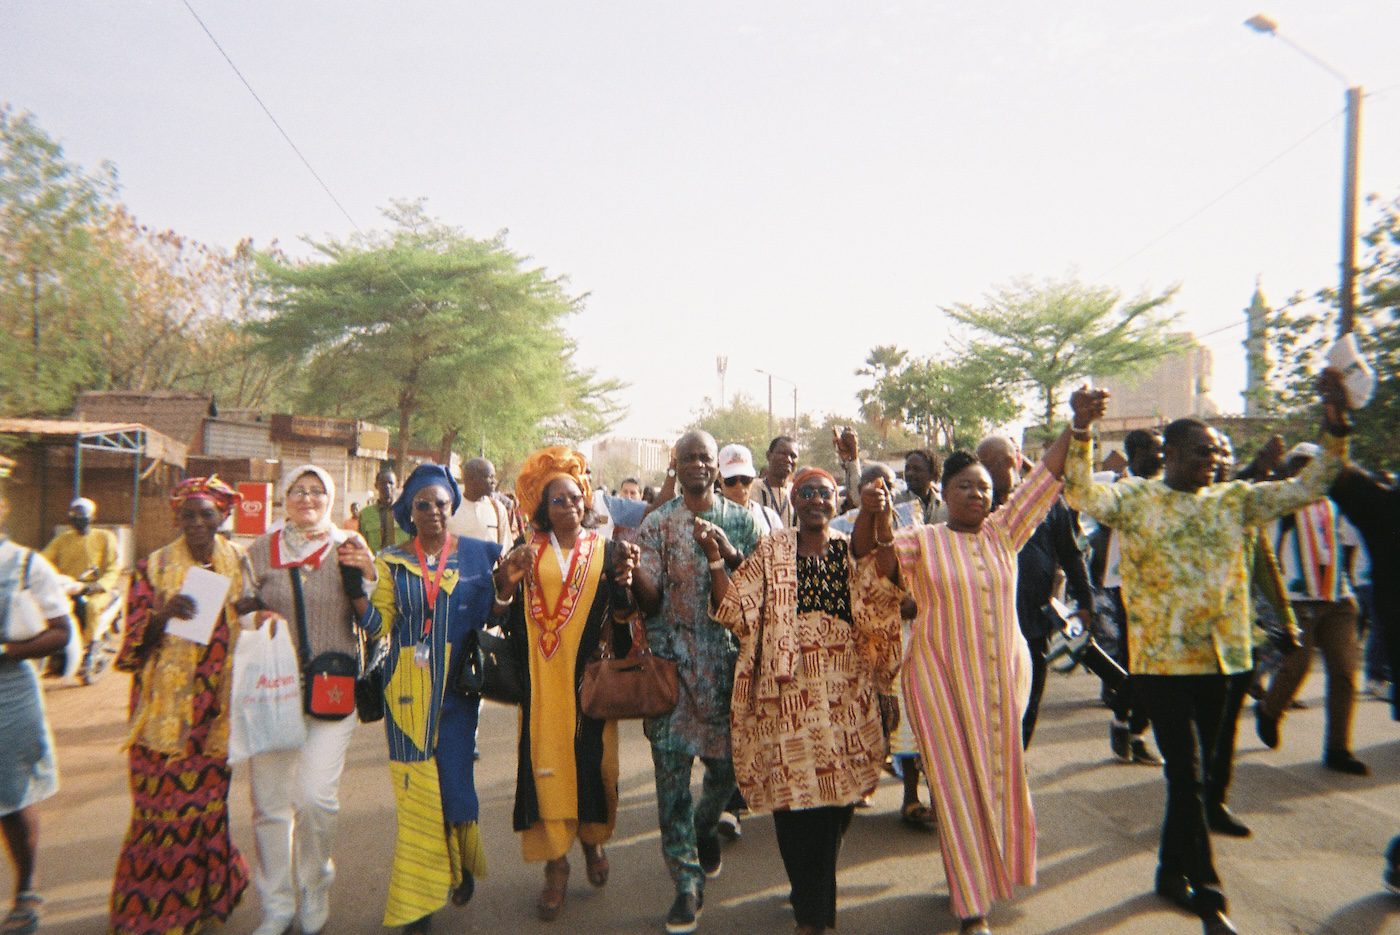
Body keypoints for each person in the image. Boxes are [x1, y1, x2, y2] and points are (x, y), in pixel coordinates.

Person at [1063, 373, 1351, 935]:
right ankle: (1210, 893)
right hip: (1162, 666)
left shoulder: (1235, 501)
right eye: (1204, 450)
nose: (1216, 460)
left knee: (1193, 780)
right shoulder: (1137, 498)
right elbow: (1079, 492)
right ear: (1170, 452)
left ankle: (1170, 874)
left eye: (1221, 452)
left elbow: (1313, 484)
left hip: (1223, 662)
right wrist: (1081, 429)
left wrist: (1336, 424)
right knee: (1189, 776)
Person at [854, 419, 1080, 935]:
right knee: (955, 791)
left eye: (983, 486)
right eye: (965, 487)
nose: (976, 494)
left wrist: (1078, 424)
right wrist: (875, 513)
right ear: (946, 493)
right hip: (939, 685)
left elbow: (1047, 476)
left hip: (999, 687)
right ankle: (972, 909)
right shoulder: (924, 541)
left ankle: (987, 872)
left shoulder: (1005, 533)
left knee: (999, 784)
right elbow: (872, 558)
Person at [703, 465, 900, 934]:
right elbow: (736, 611)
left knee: (841, 800)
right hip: (786, 701)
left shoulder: (847, 551)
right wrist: (714, 561)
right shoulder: (773, 551)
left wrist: (882, 685)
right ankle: (813, 918)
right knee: (795, 806)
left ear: (836, 502)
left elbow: (881, 595)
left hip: (846, 700)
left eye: (825, 493)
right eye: (807, 492)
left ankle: (811, 890)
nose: (816, 499)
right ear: (795, 500)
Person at [490, 448, 640, 921]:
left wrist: (625, 584)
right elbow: (499, 614)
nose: (570, 506)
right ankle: (556, 866)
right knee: (545, 769)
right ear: (542, 508)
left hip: (590, 683)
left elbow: (622, 613)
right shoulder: (523, 552)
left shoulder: (607, 549)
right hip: (541, 683)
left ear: (586, 500)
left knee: (599, 768)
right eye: (558, 500)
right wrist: (503, 587)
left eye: (576, 497)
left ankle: (593, 845)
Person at [361, 463, 501, 934]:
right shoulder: (390, 561)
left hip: (459, 695)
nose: (435, 512)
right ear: (409, 511)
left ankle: (458, 865)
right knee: (417, 799)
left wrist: (511, 584)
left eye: (443, 503)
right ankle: (419, 902)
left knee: (457, 793)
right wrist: (357, 596)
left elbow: (495, 612)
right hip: (406, 694)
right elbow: (378, 627)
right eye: (424, 504)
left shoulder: (480, 556)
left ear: (453, 506)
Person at [632, 430, 762, 935]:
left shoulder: (740, 520)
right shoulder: (657, 524)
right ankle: (686, 883)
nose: (697, 466)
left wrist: (727, 553)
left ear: (716, 465)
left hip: (725, 669)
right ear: (676, 464)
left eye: (705, 458)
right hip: (670, 671)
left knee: (728, 770)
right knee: (670, 784)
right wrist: (628, 577)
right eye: (688, 458)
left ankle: (708, 826)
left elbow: (757, 586)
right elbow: (648, 601)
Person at [110, 476, 251, 935]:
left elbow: (245, 622)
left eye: (205, 514)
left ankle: (205, 904)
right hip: (163, 728)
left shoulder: (238, 563)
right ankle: (155, 915)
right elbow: (129, 653)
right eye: (187, 514)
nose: (195, 523)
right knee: (157, 819)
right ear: (176, 517)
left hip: (214, 722)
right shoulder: (152, 568)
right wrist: (161, 616)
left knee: (208, 816)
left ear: (222, 517)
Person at [239, 465, 376, 935]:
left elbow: (375, 619)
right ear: (284, 498)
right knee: (271, 805)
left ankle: (315, 886)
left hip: (333, 692)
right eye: (298, 490)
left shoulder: (350, 547)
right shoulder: (261, 550)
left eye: (318, 491)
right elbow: (239, 607)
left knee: (316, 799)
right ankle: (276, 904)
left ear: (331, 497)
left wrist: (364, 578)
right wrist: (255, 617)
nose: (308, 498)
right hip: (271, 694)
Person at [976, 434, 1096, 749]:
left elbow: (1071, 555)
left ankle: (1015, 759)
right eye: (985, 464)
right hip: (986, 629)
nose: (991, 470)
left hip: (1032, 624)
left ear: (1016, 461)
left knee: (1027, 702)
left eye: (999, 462)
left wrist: (1086, 602)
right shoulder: (973, 510)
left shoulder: (1049, 503)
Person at [1255, 442, 1368, 774]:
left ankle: (1337, 748)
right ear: (1290, 470)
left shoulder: (1333, 506)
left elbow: (1345, 549)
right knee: (1295, 668)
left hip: (1336, 599)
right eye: (1298, 464)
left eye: (1312, 464)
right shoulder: (1280, 506)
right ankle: (1270, 711)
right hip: (1296, 601)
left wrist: (1347, 591)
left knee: (1345, 672)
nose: (1305, 471)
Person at [0, 456, 74, 935]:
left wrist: (9, 649)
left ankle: (26, 888)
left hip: (8, 692)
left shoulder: (26, 564)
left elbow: (62, 631)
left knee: (11, 795)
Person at [1086, 428, 1164, 764]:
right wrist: (1097, 588)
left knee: (1153, 665)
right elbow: (1101, 539)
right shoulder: (1118, 489)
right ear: (1136, 452)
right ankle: (1129, 727)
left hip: (1164, 587)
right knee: (1142, 664)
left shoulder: (1164, 489)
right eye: (1155, 450)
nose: (1161, 456)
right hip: (1126, 585)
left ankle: (1129, 725)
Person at [42, 496, 122, 678]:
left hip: (95, 590)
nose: (78, 519)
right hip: (67, 587)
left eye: (82, 515)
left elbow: (113, 567)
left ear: (91, 517)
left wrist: (95, 586)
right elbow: (44, 559)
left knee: (91, 607)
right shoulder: (62, 539)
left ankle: (91, 649)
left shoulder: (105, 537)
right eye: (74, 515)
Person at [716, 444, 783, 535]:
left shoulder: (770, 519)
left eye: (745, 479)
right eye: (731, 480)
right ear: (719, 478)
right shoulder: (709, 517)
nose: (739, 486)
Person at [447, 458, 513, 549]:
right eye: (490, 477)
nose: (495, 481)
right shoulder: (447, 506)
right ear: (471, 479)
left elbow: (505, 550)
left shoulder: (498, 509)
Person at [358, 466, 411, 553]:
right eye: (383, 483)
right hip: (375, 564)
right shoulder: (365, 514)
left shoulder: (408, 512)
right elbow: (362, 545)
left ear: (397, 485)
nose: (387, 486)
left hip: (403, 563)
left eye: (391, 483)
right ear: (376, 486)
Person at [753, 436, 800, 528]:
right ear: (768, 455)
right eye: (782, 454)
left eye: (793, 456)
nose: (788, 460)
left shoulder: (799, 493)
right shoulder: (751, 488)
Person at [893, 449, 942, 523]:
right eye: (907, 468)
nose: (909, 473)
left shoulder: (943, 505)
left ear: (932, 474)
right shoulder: (894, 501)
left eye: (917, 469)